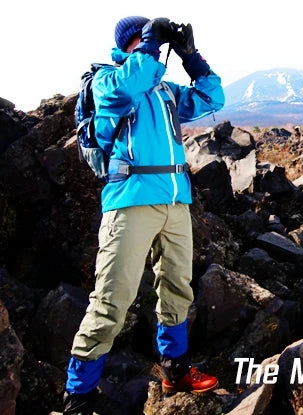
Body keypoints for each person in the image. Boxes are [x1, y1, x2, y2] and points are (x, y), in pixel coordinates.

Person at [62, 15, 224, 414]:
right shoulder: (108, 80)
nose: (148, 44)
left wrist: (192, 57)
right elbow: (129, 87)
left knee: (177, 288)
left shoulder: (166, 89)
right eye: (141, 38)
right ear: (128, 43)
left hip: (175, 201)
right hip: (130, 201)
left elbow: (212, 99)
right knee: (112, 300)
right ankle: (78, 397)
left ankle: (176, 369)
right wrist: (150, 44)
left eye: (149, 38)